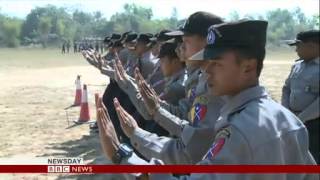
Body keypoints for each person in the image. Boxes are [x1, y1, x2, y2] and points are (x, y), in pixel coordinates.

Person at [96, 19, 317, 180]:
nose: (207, 72)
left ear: (248, 67)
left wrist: (121, 156)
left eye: (217, 64)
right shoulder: (286, 118)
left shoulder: (240, 131)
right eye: (206, 63)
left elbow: (190, 154)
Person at [282, 30, 320, 163]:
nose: (296, 50)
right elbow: (286, 88)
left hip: (314, 126)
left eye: (298, 46)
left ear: (312, 47)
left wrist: (300, 119)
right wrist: (286, 111)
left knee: (314, 159)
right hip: (293, 120)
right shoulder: (297, 66)